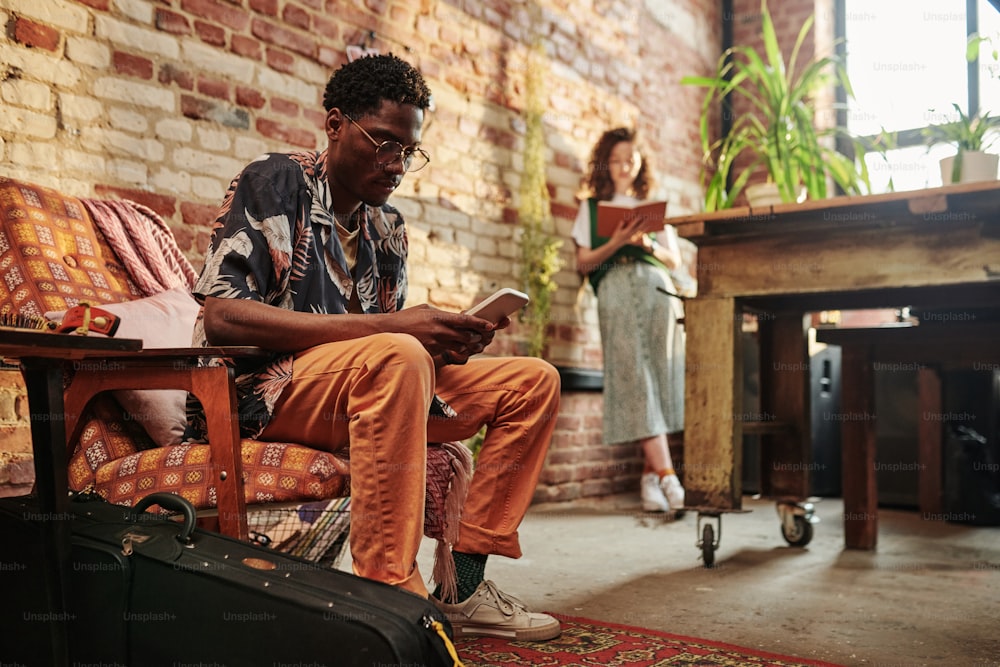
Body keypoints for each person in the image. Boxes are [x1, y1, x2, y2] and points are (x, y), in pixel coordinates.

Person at [190, 53, 561, 641]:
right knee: (400, 353)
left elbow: (389, 352)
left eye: (408, 151)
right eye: (383, 142)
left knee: (532, 381)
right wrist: (400, 337)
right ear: (335, 124)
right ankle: (388, 588)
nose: (397, 164)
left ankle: (462, 584)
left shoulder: (387, 226)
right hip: (263, 398)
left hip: (365, 387)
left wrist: (444, 345)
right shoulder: (275, 181)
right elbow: (223, 317)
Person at [571, 127, 686, 513]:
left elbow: (675, 261)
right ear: (606, 164)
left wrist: (647, 242)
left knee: (661, 374)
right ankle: (668, 476)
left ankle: (649, 478)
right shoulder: (590, 208)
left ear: (640, 164)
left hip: (657, 290)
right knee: (632, 374)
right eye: (617, 160)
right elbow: (583, 262)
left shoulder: (651, 208)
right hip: (616, 289)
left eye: (631, 159)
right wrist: (619, 239)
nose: (624, 166)